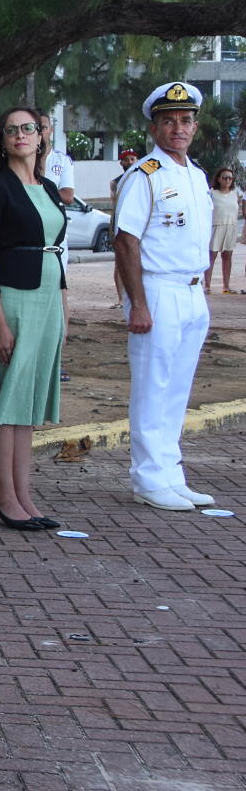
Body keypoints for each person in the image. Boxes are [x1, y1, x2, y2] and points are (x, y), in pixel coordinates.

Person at [115, 81, 216, 511]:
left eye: (185, 120)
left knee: (177, 390)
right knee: (152, 389)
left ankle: (171, 473)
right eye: (169, 121)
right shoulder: (145, 175)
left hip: (192, 291)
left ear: (194, 126)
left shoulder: (196, 175)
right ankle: (148, 478)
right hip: (157, 290)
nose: (178, 128)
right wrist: (137, 303)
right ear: (154, 128)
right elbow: (126, 241)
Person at [0, 107, 68, 533]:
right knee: (5, 399)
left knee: (26, 403)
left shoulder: (48, 187)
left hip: (47, 300)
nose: (21, 135)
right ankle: (4, 496)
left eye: (29, 128)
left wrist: (63, 311)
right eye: (12, 130)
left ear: (41, 136)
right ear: (2, 140)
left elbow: (55, 251)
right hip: (10, 300)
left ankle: (23, 495)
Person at [111, 147, 141, 309]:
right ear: (121, 162)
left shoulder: (143, 179)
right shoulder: (116, 182)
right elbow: (115, 202)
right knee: (120, 261)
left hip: (139, 222)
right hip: (121, 222)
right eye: (126, 159)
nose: (130, 162)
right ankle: (121, 298)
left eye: (132, 159)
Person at [206, 166, 241, 294]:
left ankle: (226, 287)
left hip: (230, 227)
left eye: (230, 178)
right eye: (225, 178)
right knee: (211, 256)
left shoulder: (235, 194)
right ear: (219, 179)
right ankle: (207, 286)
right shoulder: (211, 193)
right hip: (215, 226)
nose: (227, 180)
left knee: (227, 256)